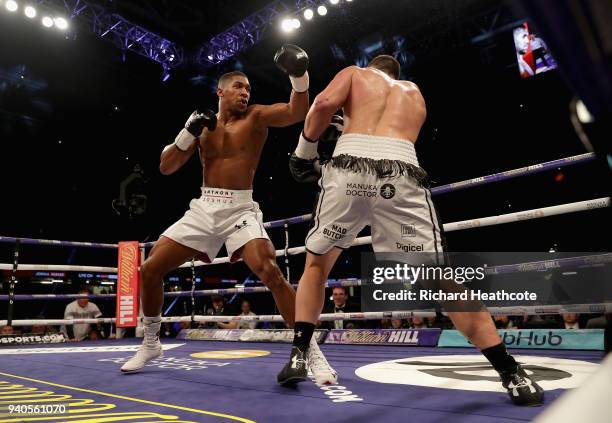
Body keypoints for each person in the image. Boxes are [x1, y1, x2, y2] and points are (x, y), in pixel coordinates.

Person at [278, 55, 543, 406]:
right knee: (441, 279)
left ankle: (299, 354)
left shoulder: (355, 74)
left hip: (349, 172)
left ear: (370, 66)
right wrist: (350, 126)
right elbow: (387, 138)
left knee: (316, 265)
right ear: (396, 73)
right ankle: (512, 374)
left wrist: (304, 151)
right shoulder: (414, 94)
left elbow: (323, 104)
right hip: (402, 177)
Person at [121, 44, 336, 385]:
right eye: (239, 87)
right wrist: (187, 130)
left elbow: (297, 112)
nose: (245, 93)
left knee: (270, 270)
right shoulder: (202, 126)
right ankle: (150, 343)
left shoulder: (256, 117)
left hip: (240, 207)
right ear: (220, 91)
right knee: (149, 269)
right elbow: (166, 167)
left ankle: (308, 352)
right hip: (205, 206)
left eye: (248, 88)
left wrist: (299, 75)